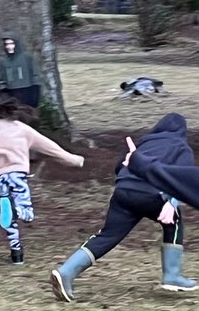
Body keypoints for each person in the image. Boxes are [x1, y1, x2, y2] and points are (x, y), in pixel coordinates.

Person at [51, 114, 196, 301]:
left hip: (123, 191)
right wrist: (171, 203)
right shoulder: (181, 147)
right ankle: (172, 276)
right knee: (173, 224)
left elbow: (120, 166)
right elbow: (181, 180)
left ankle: (66, 272)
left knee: (108, 235)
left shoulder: (144, 142)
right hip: (153, 194)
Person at [0, 90, 84, 264]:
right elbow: (48, 147)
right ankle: (22, 211)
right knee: (24, 205)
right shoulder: (21, 128)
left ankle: (16, 253)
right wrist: (72, 159)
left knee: (8, 214)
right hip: (17, 173)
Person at [0, 32, 41, 109]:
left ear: (16, 44)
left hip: (27, 91)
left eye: (11, 43)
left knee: (27, 114)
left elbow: (35, 76)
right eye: (6, 44)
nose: (9, 46)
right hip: (12, 93)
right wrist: (4, 93)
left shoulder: (27, 57)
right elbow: (1, 79)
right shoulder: (3, 61)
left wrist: (35, 95)